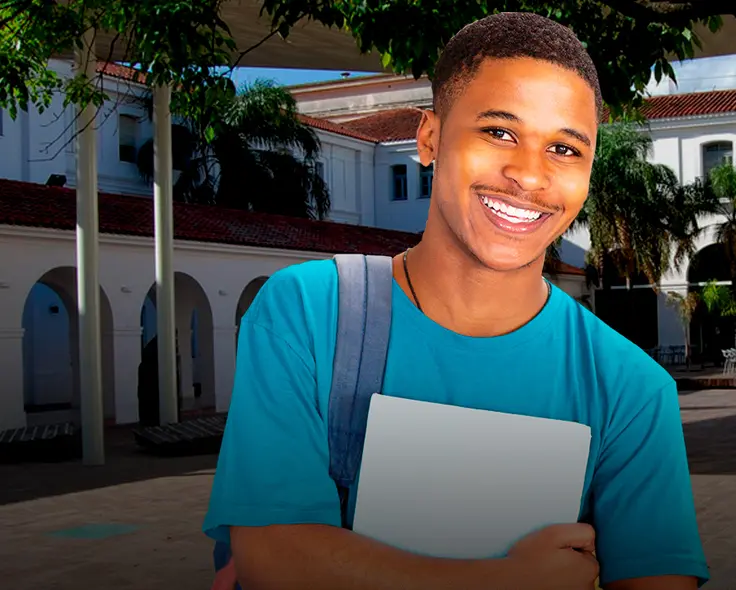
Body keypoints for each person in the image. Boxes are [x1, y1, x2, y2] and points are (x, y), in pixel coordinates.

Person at [202, 11, 709, 590]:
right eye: (499, 132)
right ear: (430, 138)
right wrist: (510, 580)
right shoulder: (309, 314)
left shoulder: (631, 388)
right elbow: (274, 555)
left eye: (565, 149)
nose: (529, 175)